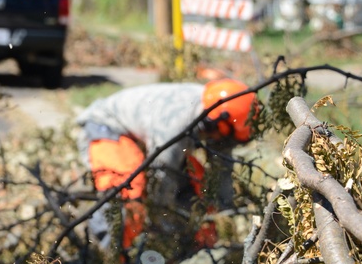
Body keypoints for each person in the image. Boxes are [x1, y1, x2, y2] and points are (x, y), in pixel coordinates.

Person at [74, 78, 259, 253]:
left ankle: (203, 246)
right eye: (225, 137)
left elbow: (221, 172)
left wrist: (225, 217)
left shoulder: (217, 110)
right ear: (218, 122)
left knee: (199, 181)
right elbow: (160, 181)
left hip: (147, 140)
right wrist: (164, 229)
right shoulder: (175, 125)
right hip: (107, 126)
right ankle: (111, 255)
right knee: (129, 190)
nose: (223, 142)